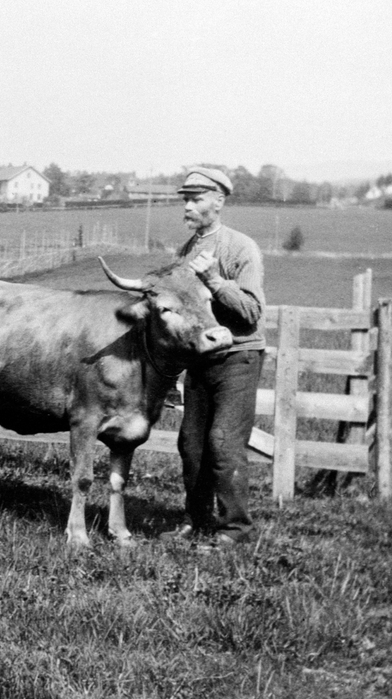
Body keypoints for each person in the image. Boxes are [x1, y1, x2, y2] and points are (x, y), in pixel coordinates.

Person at [163, 167, 266, 547]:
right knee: (191, 445)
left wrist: (215, 281)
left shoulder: (241, 248)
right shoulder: (187, 250)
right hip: (199, 360)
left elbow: (252, 313)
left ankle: (236, 529)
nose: (187, 206)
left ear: (218, 201)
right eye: (184, 199)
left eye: (195, 198)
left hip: (238, 358)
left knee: (223, 444)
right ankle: (196, 519)